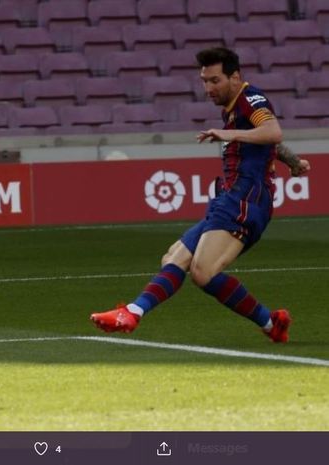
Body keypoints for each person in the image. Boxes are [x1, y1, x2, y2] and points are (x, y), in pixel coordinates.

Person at [90, 47, 311, 343]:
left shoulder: (250, 98)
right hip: (229, 197)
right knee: (173, 257)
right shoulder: (233, 108)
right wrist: (294, 162)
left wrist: (229, 134)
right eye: (204, 81)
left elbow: (273, 132)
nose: (208, 88)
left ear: (235, 77)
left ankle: (134, 313)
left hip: (246, 199)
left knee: (202, 272)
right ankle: (133, 312)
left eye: (215, 80)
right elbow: (269, 144)